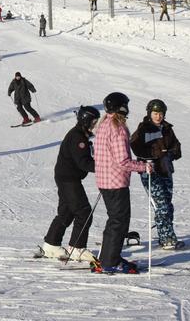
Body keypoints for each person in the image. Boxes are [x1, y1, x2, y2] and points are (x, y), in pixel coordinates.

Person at [92, 92, 151, 274]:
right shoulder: (118, 128)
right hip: (115, 182)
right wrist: (144, 166)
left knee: (114, 221)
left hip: (104, 180)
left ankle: (109, 257)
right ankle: (110, 261)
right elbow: (122, 161)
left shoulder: (103, 125)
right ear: (121, 107)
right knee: (119, 222)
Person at [39, 105, 100, 262]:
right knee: (84, 212)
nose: (95, 125)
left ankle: (51, 245)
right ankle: (76, 248)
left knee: (67, 212)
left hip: (66, 177)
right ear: (85, 121)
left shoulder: (80, 135)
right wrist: (105, 166)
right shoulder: (78, 138)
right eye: (93, 121)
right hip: (68, 179)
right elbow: (84, 163)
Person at [131, 99, 184, 249]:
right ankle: (167, 238)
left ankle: (166, 236)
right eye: (155, 113)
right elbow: (134, 146)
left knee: (168, 204)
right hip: (150, 171)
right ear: (149, 113)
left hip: (165, 169)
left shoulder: (167, 128)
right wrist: (152, 155)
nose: (158, 116)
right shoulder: (144, 129)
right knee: (161, 205)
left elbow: (177, 147)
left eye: (161, 113)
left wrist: (170, 154)